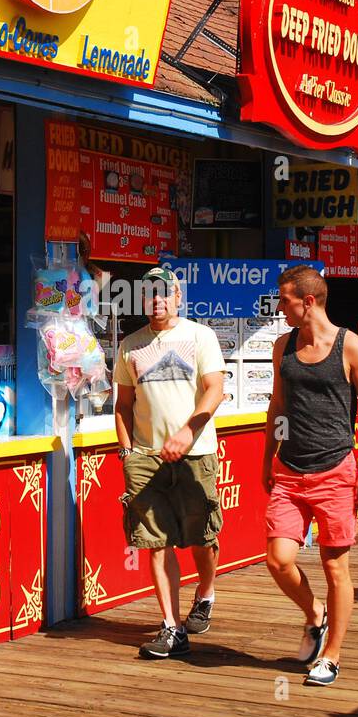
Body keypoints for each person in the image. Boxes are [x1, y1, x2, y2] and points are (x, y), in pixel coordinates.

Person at [261, 265, 358, 687]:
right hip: (289, 471)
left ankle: (330, 656)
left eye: (285, 300)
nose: (280, 307)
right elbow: (278, 407)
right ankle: (314, 614)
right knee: (278, 559)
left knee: (336, 567)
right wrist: (267, 459)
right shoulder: (284, 346)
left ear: (308, 302)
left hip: (335, 470)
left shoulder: (352, 348)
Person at [114, 265, 226, 659]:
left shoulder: (200, 336)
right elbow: (123, 405)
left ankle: (206, 592)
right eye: (149, 293)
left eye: (164, 293)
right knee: (156, 543)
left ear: (178, 297)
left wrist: (188, 432)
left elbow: (215, 389)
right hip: (146, 459)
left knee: (201, 539)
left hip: (196, 455)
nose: (157, 299)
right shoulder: (130, 346)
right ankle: (171, 628)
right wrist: (127, 452)